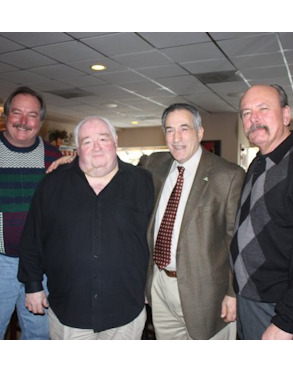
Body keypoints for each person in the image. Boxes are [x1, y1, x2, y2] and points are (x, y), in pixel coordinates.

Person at [18, 116, 154, 340]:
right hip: (70, 310)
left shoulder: (143, 181)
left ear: (115, 140)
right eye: (87, 141)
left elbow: (154, 238)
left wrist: (150, 286)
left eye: (103, 138)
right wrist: (33, 286)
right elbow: (32, 238)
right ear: (78, 148)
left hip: (126, 310)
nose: (97, 147)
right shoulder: (52, 184)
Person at [145, 103, 245, 340]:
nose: (176, 138)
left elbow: (236, 239)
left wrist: (233, 292)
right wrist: (72, 165)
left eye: (184, 129)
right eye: (169, 130)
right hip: (160, 284)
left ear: (200, 133)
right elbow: (113, 173)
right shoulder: (154, 165)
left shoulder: (228, 175)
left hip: (207, 293)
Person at [231, 84, 293, 341]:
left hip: (276, 306)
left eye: (263, 109)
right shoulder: (258, 163)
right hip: (249, 298)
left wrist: (287, 321)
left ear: (287, 115)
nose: (253, 118)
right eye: (246, 113)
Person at [0, 86, 62, 340]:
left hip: (40, 266)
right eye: (17, 113)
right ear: (6, 115)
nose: (24, 122)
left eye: (32, 115)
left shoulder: (53, 157)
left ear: (41, 120)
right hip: (0, 261)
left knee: (39, 335)